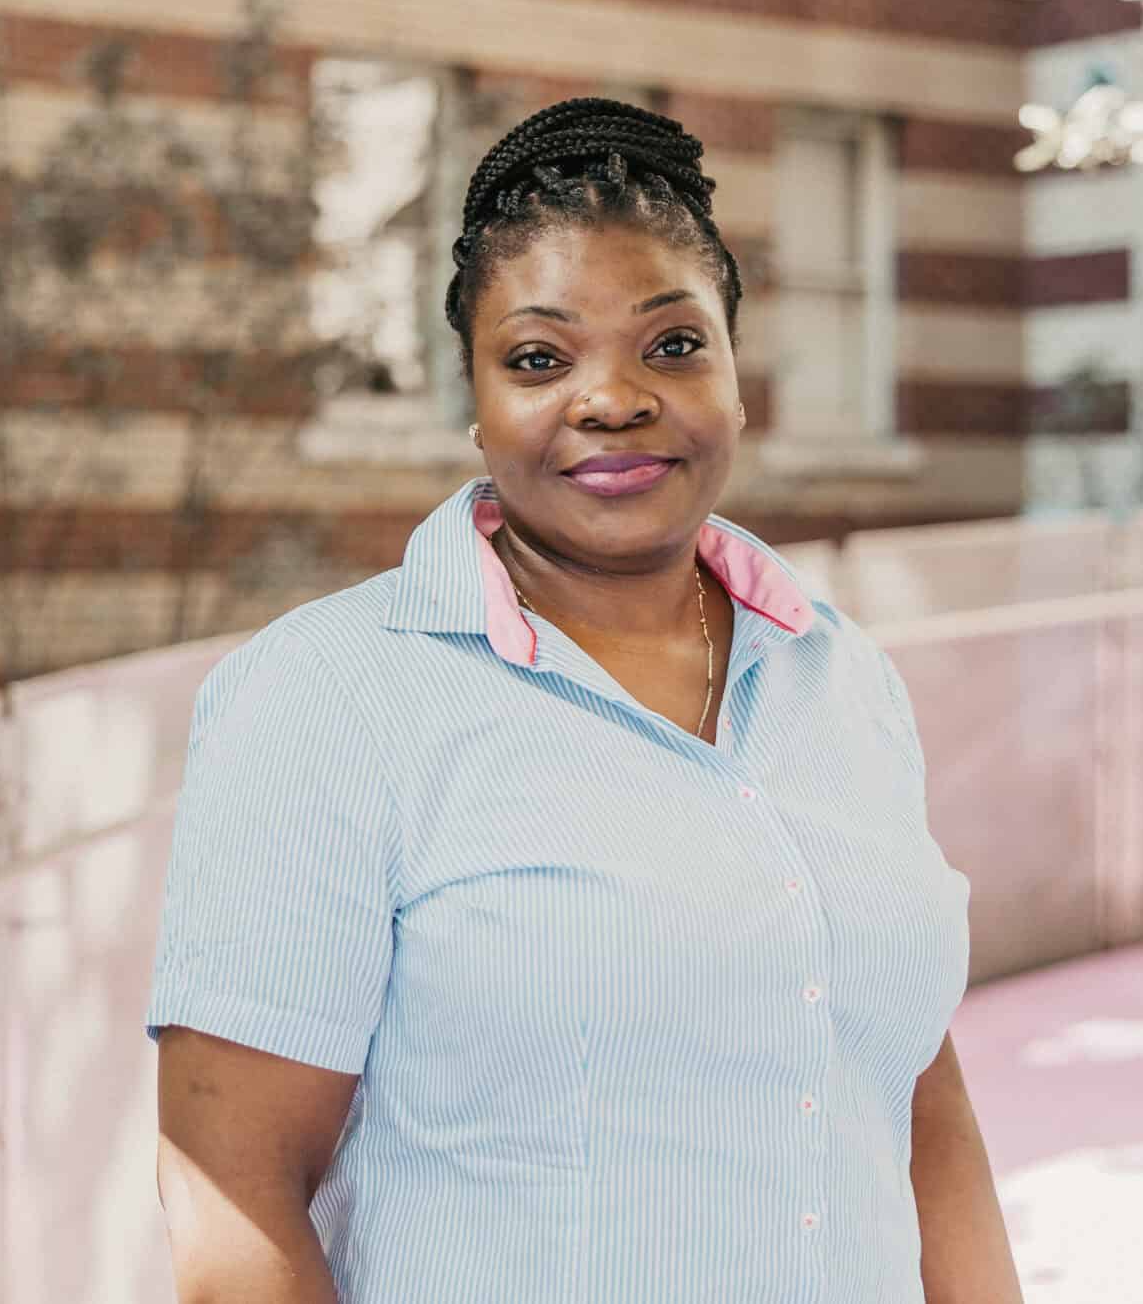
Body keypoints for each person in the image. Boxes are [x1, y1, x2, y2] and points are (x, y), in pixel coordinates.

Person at [145, 98, 1020, 1303]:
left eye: (672, 346)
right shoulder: (328, 698)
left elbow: (916, 1100)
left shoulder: (839, 674)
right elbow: (231, 1195)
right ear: (475, 400)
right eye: (539, 358)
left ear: (734, 375)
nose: (612, 400)